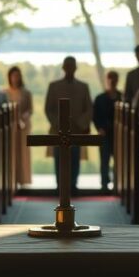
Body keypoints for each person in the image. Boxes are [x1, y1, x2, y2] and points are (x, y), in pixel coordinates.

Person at [44, 56, 93, 194]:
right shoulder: (54, 86)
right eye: (67, 65)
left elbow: (89, 107)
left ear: (75, 68)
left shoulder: (83, 87)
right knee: (59, 158)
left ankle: (73, 185)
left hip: (76, 129)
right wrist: (58, 123)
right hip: (58, 129)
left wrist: (81, 123)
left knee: (75, 157)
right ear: (63, 67)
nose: (70, 68)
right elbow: (48, 108)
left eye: (72, 65)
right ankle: (60, 185)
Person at [92, 70, 122, 192]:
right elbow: (95, 116)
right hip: (104, 133)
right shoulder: (100, 98)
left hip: (119, 135)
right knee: (104, 160)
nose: (112, 80)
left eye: (114, 78)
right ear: (107, 79)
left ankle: (116, 183)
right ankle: (104, 184)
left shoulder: (122, 97)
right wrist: (99, 128)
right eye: (110, 77)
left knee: (118, 160)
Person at [5, 66, 33, 188]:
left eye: (18, 76)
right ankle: (11, 179)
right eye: (13, 76)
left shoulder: (26, 92)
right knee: (12, 151)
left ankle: (23, 179)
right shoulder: (4, 92)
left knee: (23, 151)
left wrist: (24, 117)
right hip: (10, 125)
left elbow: (30, 109)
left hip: (23, 125)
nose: (16, 78)